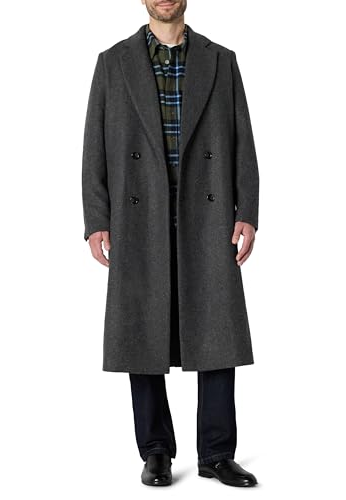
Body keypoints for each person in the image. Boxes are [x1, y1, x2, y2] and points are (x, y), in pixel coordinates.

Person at [82, 0, 259, 487]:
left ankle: (217, 453)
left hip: (209, 212)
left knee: (217, 330)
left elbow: (243, 139)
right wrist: (96, 219)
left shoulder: (221, 59)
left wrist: (247, 210)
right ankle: (156, 450)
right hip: (139, 215)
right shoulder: (112, 62)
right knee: (141, 331)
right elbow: (94, 146)